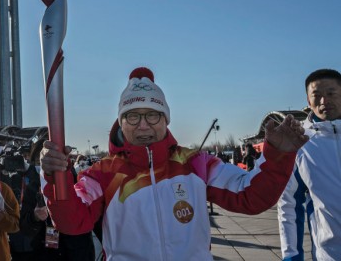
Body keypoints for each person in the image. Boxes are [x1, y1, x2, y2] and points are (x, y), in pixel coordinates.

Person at [41, 67, 308, 260]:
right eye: (132, 116)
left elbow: (251, 196)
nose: (143, 125)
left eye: (153, 115)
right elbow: (72, 223)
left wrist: (277, 157)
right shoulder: (102, 173)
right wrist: (58, 179)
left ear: (166, 120)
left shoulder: (195, 163)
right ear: (120, 122)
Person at [278, 68, 341, 261]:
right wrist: (291, 256)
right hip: (329, 254)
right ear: (308, 101)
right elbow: (289, 205)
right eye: (317, 95)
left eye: (331, 93)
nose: (324, 101)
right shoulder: (300, 143)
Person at [20, 138, 96, 261]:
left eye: (54, 157)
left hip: (77, 251)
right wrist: (35, 217)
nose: (48, 165)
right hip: (46, 253)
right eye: (42, 160)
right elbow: (25, 227)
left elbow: (93, 217)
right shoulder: (33, 187)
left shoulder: (76, 181)